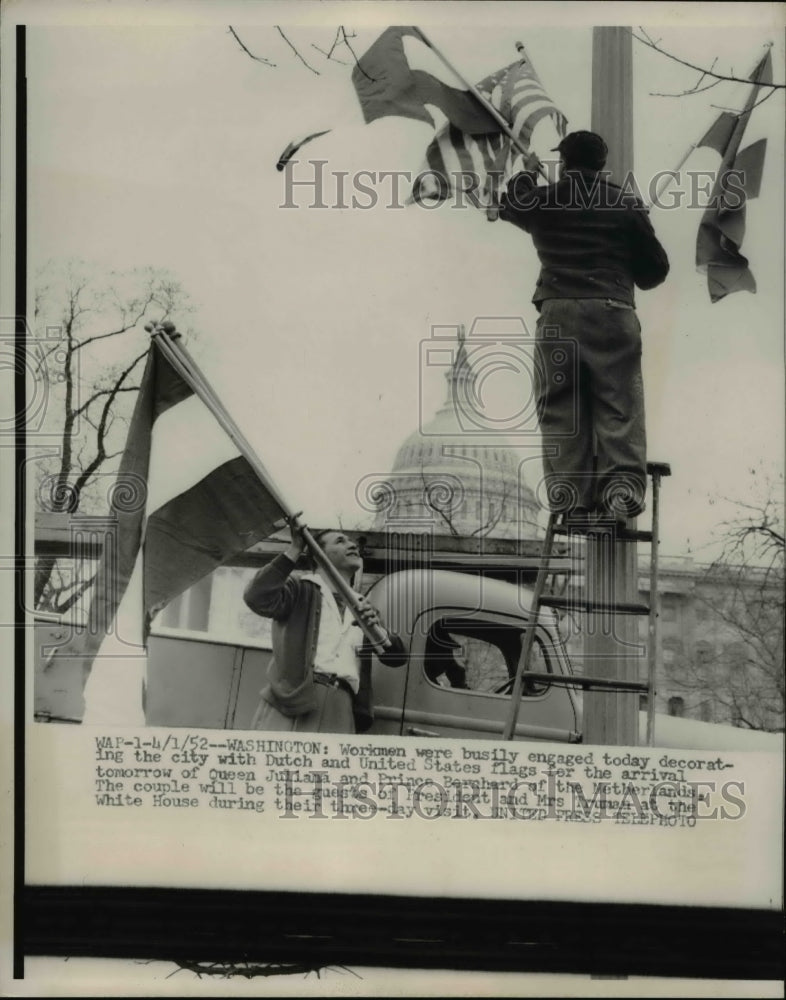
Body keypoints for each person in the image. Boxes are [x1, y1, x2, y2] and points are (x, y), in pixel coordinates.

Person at [500, 130, 670, 526]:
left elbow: (510, 204)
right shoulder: (625, 203)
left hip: (557, 311)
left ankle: (571, 501)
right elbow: (655, 271)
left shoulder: (545, 199)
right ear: (601, 164)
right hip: (612, 311)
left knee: (561, 409)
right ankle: (621, 496)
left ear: (564, 162)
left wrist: (526, 174)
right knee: (619, 406)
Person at [243, 527, 406, 734]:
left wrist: (378, 631)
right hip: (295, 701)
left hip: (343, 706)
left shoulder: (364, 607)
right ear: (320, 556)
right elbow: (256, 597)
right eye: (340, 541)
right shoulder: (299, 589)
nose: (352, 545)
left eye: (351, 542)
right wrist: (294, 549)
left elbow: (398, 657)